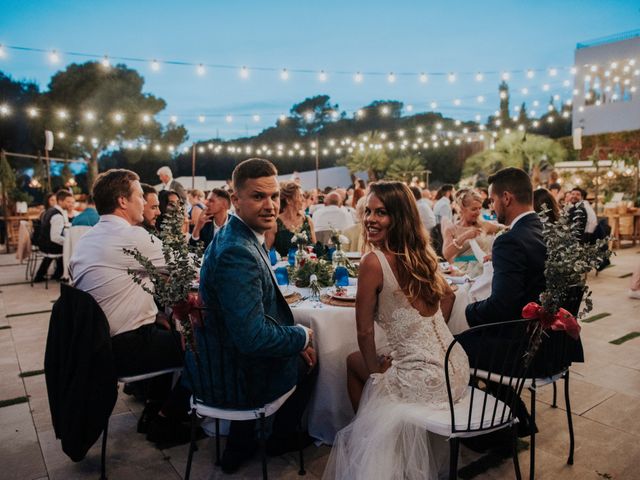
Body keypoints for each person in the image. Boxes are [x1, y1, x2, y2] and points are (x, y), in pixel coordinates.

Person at [324, 181, 469, 480]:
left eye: (382, 213)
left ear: (399, 217)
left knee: (354, 363)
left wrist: (377, 371)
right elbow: (450, 296)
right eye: (368, 212)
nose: (371, 219)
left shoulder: (373, 261)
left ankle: (368, 444)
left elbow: (364, 332)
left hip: (427, 379)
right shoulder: (423, 254)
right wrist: (416, 339)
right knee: (365, 359)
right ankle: (375, 438)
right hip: (456, 368)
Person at [190, 158, 317, 474]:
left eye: (274, 196)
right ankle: (279, 439)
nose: (270, 205)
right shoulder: (238, 251)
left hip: (220, 359)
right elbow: (253, 338)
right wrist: (301, 336)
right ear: (236, 200)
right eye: (259, 196)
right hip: (233, 376)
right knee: (313, 358)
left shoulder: (233, 233)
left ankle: (240, 443)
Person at [69, 169, 189, 446]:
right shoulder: (131, 236)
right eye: (139, 196)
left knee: (166, 325)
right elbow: (190, 268)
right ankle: (165, 418)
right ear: (123, 201)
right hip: (126, 349)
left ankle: (153, 409)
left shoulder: (88, 238)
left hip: (96, 348)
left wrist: (155, 313)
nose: (144, 203)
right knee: (204, 346)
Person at [442, 189, 501, 269]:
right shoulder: (451, 229)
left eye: (479, 208)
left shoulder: (484, 225)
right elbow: (446, 254)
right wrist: (464, 237)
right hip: (461, 273)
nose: (478, 212)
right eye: (474, 209)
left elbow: (506, 230)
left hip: (483, 270)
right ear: (462, 209)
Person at [34, 190, 75, 282]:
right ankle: (64, 275)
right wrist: (68, 242)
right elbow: (55, 238)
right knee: (70, 250)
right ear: (60, 201)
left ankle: (51, 274)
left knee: (65, 247)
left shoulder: (51, 210)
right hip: (49, 246)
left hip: (43, 243)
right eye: (67, 202)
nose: (70, 204)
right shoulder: (57, 216)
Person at [269, 181, 317, 257]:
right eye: (300, 196)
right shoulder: (275, 224)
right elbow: (266, 252)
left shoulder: (307, 220)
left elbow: (315, 249)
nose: (303, 199)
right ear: (288, 200)